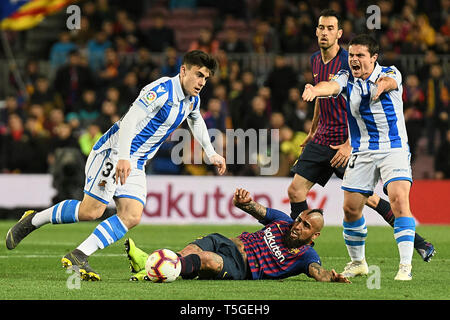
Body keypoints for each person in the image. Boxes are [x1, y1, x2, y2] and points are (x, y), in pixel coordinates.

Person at [6, 50, 227, 281]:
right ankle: (32, 220)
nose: (202, 82)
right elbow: (130, 120)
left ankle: (79, 255)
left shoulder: (193, 99)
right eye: (198, 74)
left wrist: (211, 153)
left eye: (206, 78)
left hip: (137, 162)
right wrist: (122, 157)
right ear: (183, 70)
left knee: (132, 215)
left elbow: (196, 119)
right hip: (113, 152)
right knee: (91, 211)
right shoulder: (160, 91)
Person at [288, 9, 434, 264]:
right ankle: (300, 250)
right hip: (323, 138)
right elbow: (321, 97)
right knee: (295, 190)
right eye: (321, 28)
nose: (324, 32)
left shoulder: (350, 62)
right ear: (316, 31)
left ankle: (419, 242)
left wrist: (348, 144)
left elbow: (356, 107)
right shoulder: (314, 60)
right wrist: (312, 131)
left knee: (369, 199)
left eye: (330, 28)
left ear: (339, 34)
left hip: (348, 142)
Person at [302, 34, 418, 281]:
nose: (354, 59)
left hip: (393, 148)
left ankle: (405, 266)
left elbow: (389, 82)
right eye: (352, 55)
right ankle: (358, 263)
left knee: (398, 198)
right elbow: (331, 86)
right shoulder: (346, 77)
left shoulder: (391, 72)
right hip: (362, 150)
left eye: (360, 55)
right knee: (351, 208)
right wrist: (315, 89)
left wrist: (380, 87)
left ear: (373, 58)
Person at [125, 188, 350, 283]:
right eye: (300, 220)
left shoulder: (306, 255)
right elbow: (254, 208)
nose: (298, 225)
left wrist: (331, 277)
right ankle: (148, 266)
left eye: (306, 225)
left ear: (315, 235)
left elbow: (318, 272)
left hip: (241, 267)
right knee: (189, 251)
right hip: (226, 243)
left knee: (207, 260)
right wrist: (244, 201)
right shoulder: (282, 221)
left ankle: (151, 271)